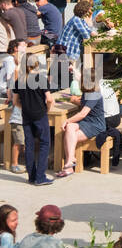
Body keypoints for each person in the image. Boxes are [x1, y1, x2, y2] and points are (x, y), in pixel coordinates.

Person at [56, 69, 108, 177]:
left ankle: (69, 164)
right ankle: (70, 160)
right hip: (86, 122)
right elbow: (86, 105)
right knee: (69, 129)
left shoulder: (94, 94)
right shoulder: (88, 91)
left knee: (68, 134)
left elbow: (83, 113)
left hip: (96, 125)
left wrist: (66, 120)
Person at [10, 52, 52, 185]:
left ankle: (32, 176)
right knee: (45, 143)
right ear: (36, 63)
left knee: (29, 145)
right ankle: (40, 177)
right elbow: (49, 99)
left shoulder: (19, 81)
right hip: (40, 114)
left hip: (26, 116)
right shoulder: (41, 78)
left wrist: (25, 108)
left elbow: (15, 101)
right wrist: (47, 109)